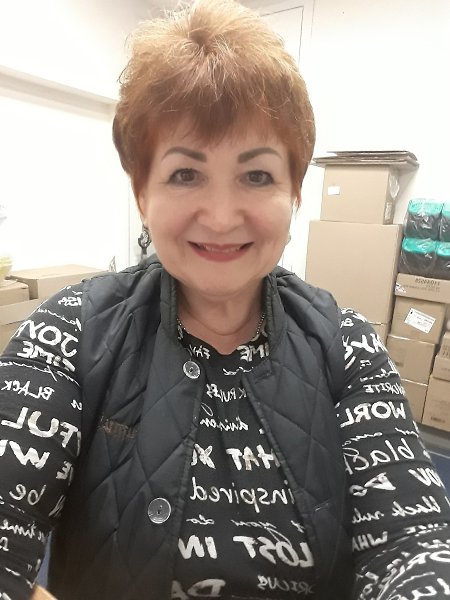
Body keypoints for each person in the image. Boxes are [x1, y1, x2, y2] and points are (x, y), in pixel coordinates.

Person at [0, 1, 449, 598]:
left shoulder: (348, 345)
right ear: (142, 192)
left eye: (257, 175)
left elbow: (415, 545)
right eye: (185, 174)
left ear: (294, 191)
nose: (220, 216)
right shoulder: (70, 331)